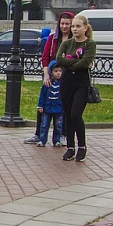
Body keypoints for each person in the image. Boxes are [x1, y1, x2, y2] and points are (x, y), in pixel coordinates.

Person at [26, 11, 74, 144]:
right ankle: (39, 133)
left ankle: (62, 134)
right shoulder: (53, 39)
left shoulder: (73, 40)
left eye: (67, 24)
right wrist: (46, 74)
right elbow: (45, 57)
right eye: (62, 23)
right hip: (52, 74)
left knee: (64, 105)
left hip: (67, 76)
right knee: (44, 103)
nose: (64, 26)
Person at [56, 14, 97, 162]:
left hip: (81, 83)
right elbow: (59, 59)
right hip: (67, 82)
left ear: (85, 28)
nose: (74, 29)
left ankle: (82, 146)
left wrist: (71, 61)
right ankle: (70, 147)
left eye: (77, 26)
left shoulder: (90, 44)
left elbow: (86, 62)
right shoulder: (67, 43)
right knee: (67, 115)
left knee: (75, 114)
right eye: (73, 26)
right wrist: (76, 62)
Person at [35, 61, 65, 147]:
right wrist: (40, 105)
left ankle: (57, 140)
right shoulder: (47, 83)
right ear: (51, 72)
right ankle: (42, 140)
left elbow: (65, 96)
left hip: (59, 108)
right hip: (47, 108)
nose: (58, 73)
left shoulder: (62, 84)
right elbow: (42, 95)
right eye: (56, 71)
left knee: (58, 126)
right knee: (44, 125)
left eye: (60, 71)